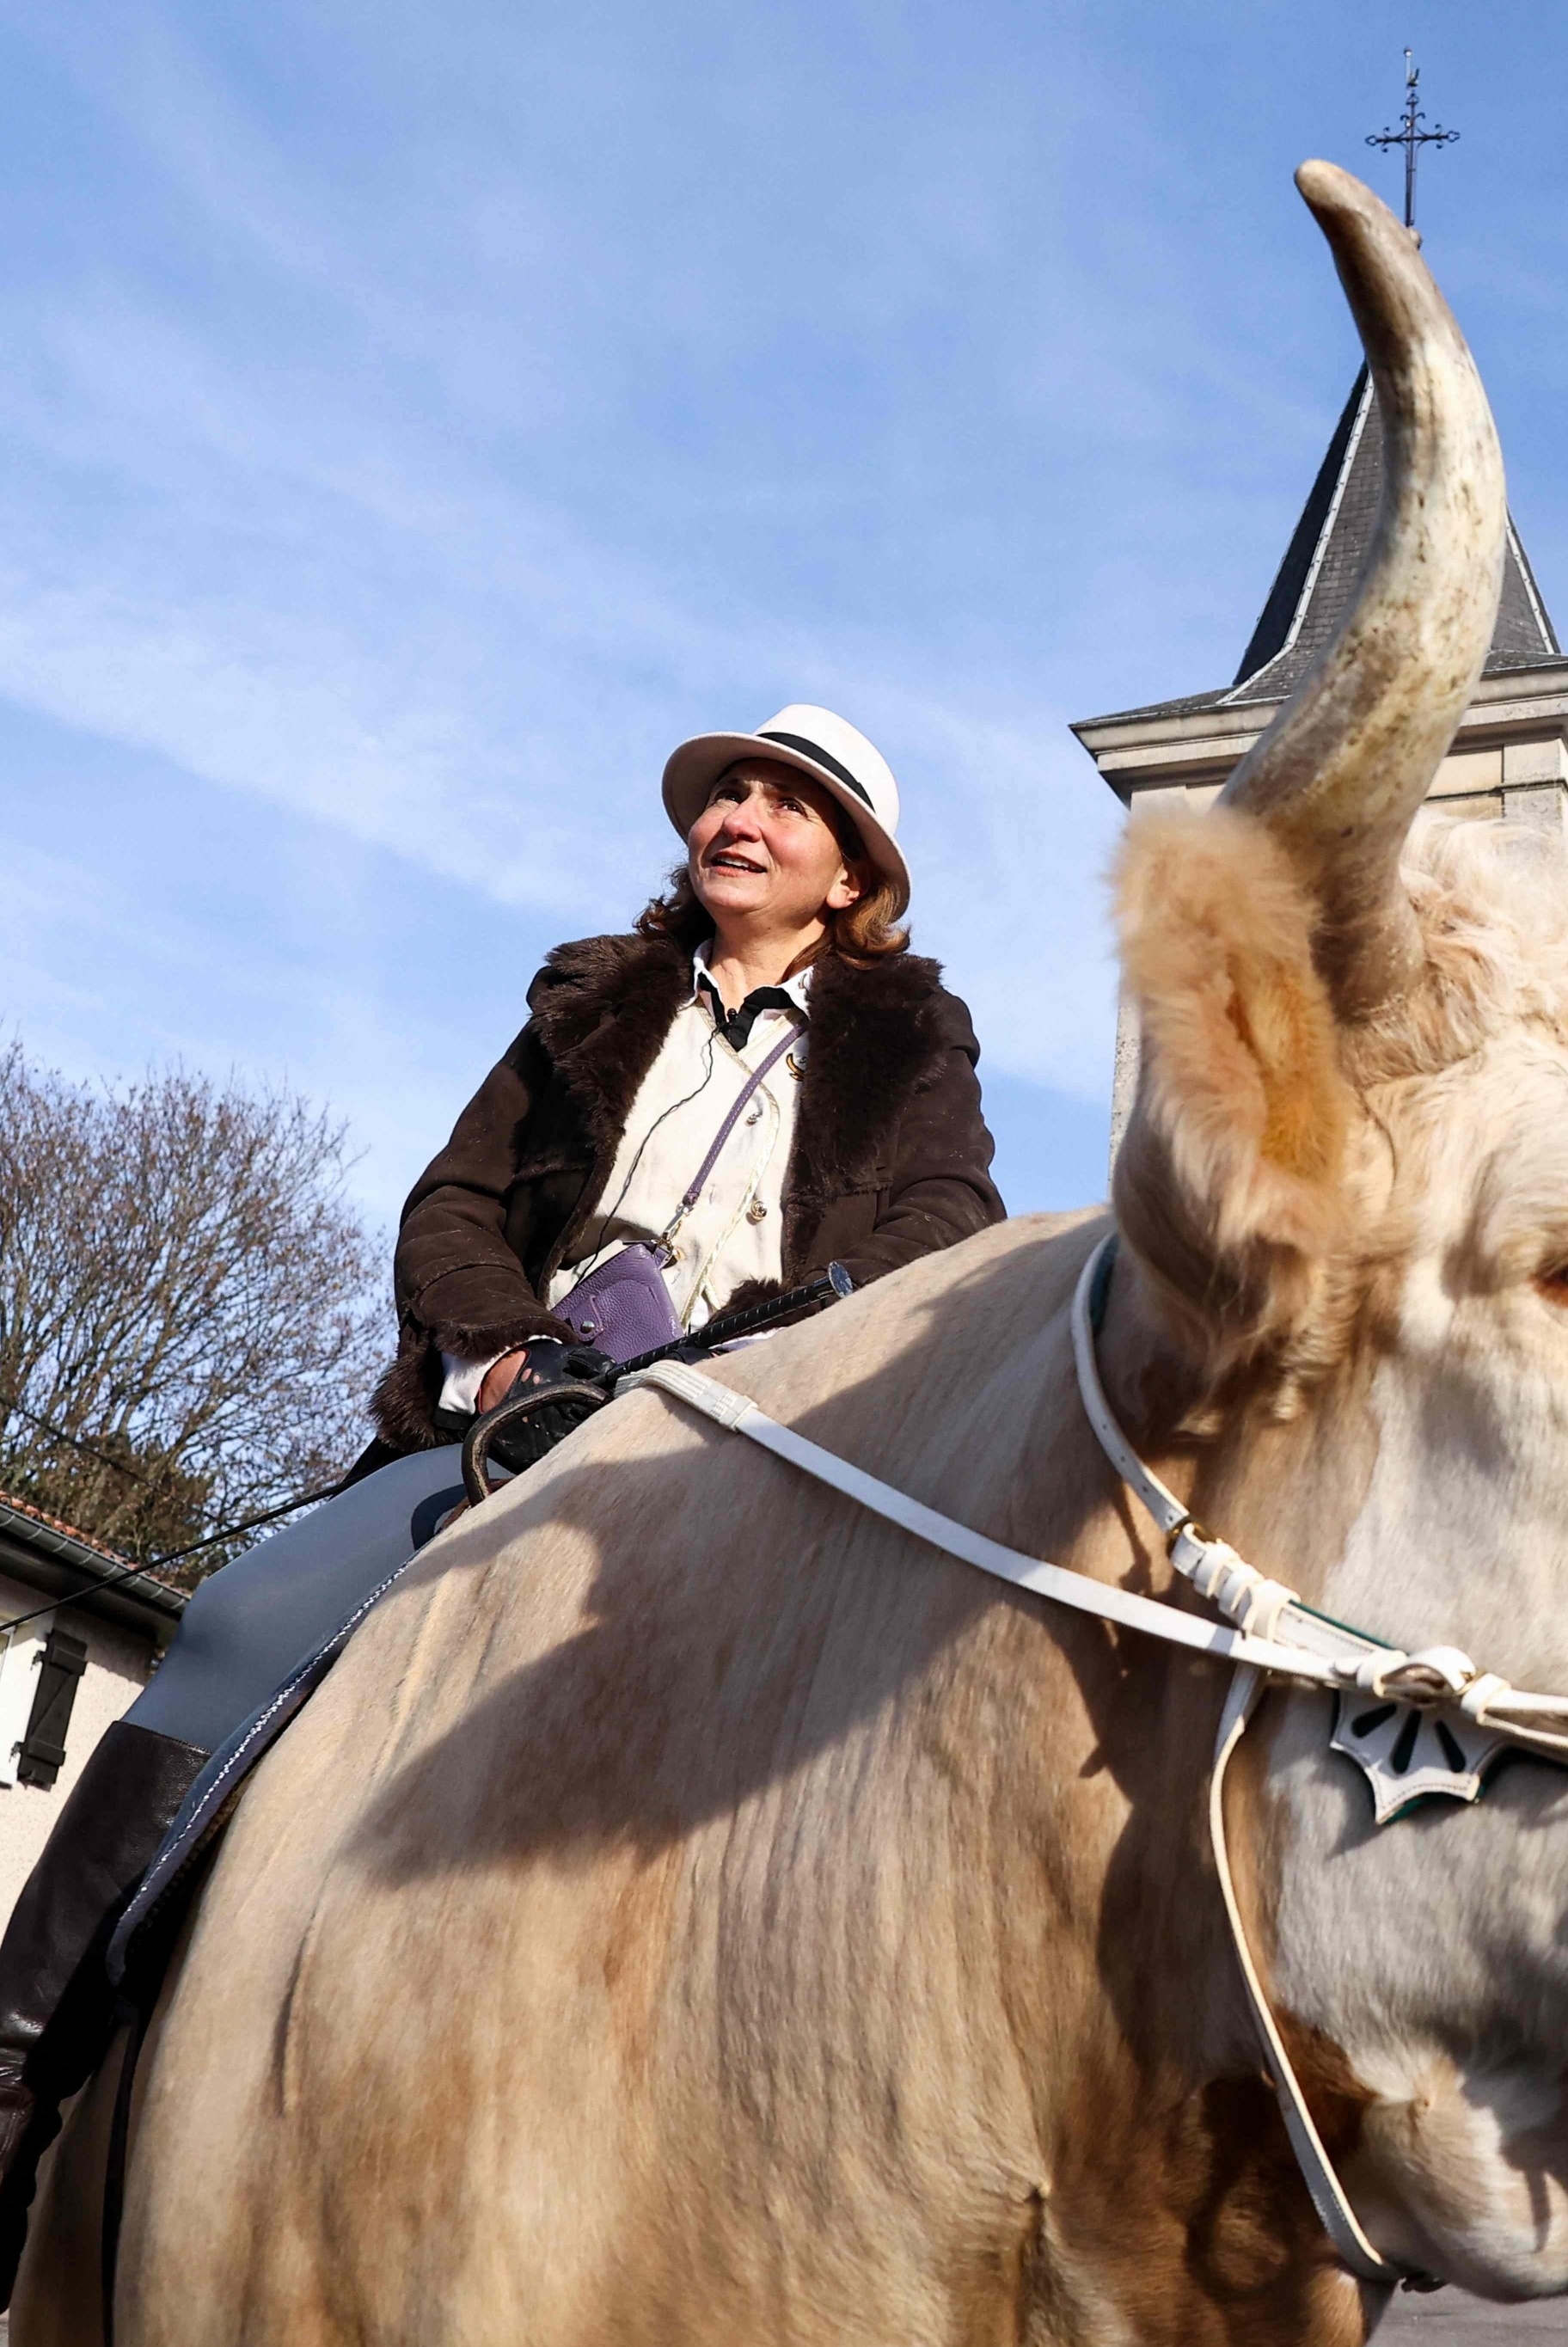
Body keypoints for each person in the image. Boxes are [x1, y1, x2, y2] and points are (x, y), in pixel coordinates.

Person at [0, 703, 1003, 2277]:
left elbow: (950, 1219)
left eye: (785, 802)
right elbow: (453, 1201)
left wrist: (783, 1338)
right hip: (508, 1424)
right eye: (726, 790)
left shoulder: (914, 1039)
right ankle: (15, 2073)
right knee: (238, 1621)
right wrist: (505, 1349)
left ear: (850, 871)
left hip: (745, 1427)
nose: (740, 813)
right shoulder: (590, 999)